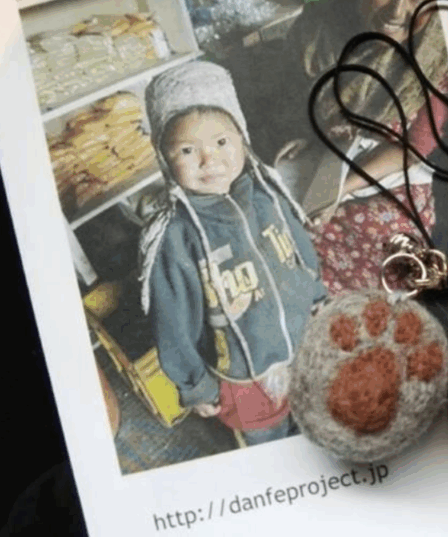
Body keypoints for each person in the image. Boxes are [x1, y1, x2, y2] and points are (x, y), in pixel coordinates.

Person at [244, 0, 448, 296]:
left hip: (393, 171)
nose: (397, 10)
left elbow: (414, 147)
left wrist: (340, 189)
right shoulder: (319, 30)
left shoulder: (436, 53)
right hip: (330, 158)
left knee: (371, 231)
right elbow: (299, 103)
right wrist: (306, 136)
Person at [137, 61, 327, 447]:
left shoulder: (266, 195)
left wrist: (317, 294)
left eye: (222, 142)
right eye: (187, 150)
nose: (210, 160)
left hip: (302, 344)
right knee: (269, 444)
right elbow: (172, 322)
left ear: (242, 139)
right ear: (165, 158)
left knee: (314, 420)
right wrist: (196, 385)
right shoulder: (176, 236)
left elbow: (298, 248)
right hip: (243, 376)